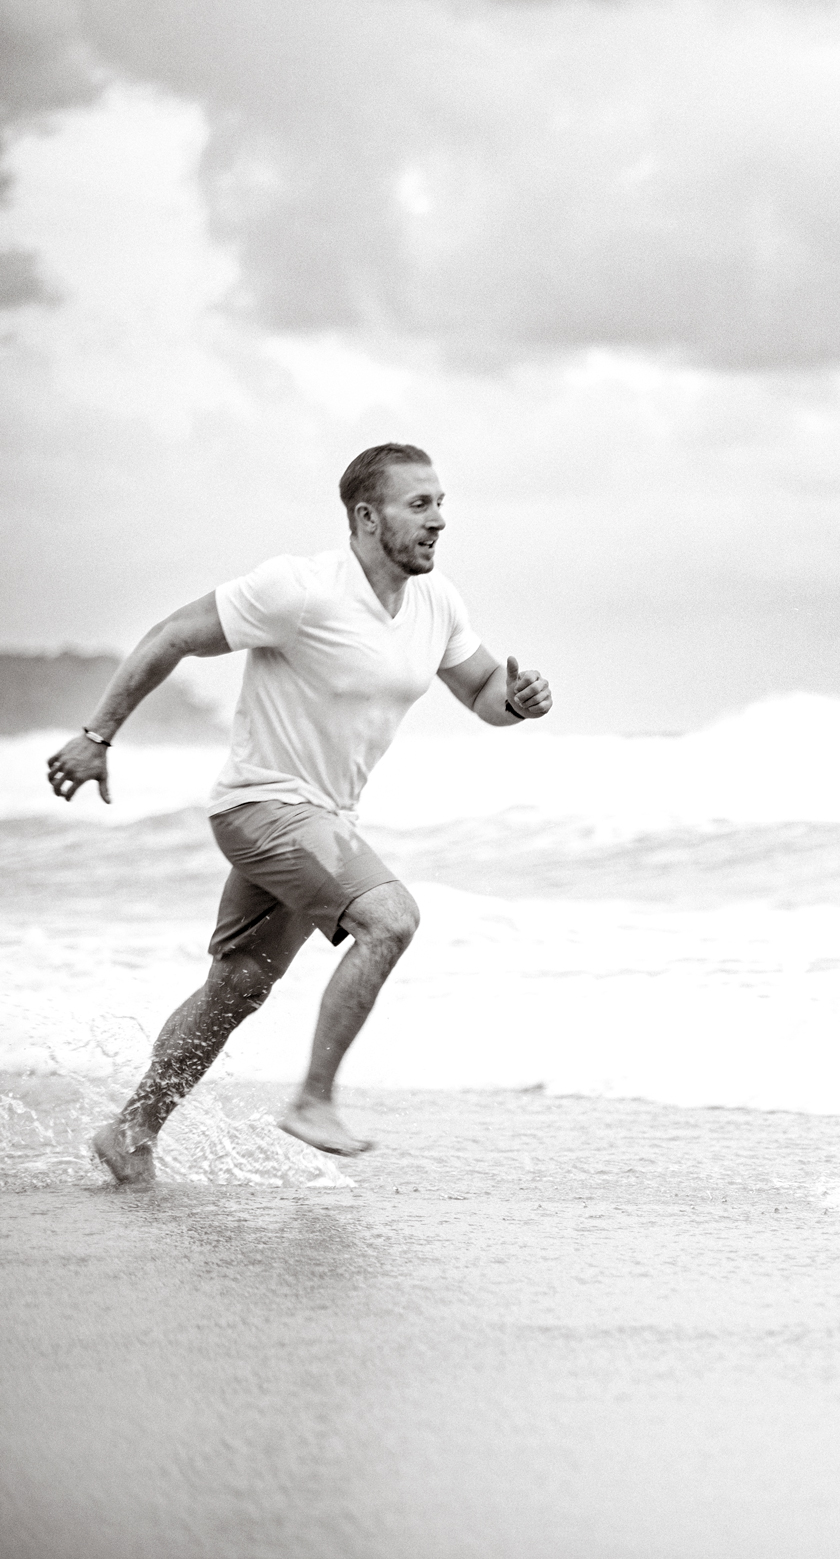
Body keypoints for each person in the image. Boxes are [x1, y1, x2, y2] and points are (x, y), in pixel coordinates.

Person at [45, 444, 553, 1184]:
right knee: (391, 919)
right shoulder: (299, 589)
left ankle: (130, 1130)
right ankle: (315, 1099)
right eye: (421, 505)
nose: (439, 520)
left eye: (442, 503)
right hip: (261, 804)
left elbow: (483, 693)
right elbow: (172, 636)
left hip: (326, 819)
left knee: (240, 986)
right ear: (366, 516)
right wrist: (97, 736)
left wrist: (518, 702)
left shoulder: (437, 601)